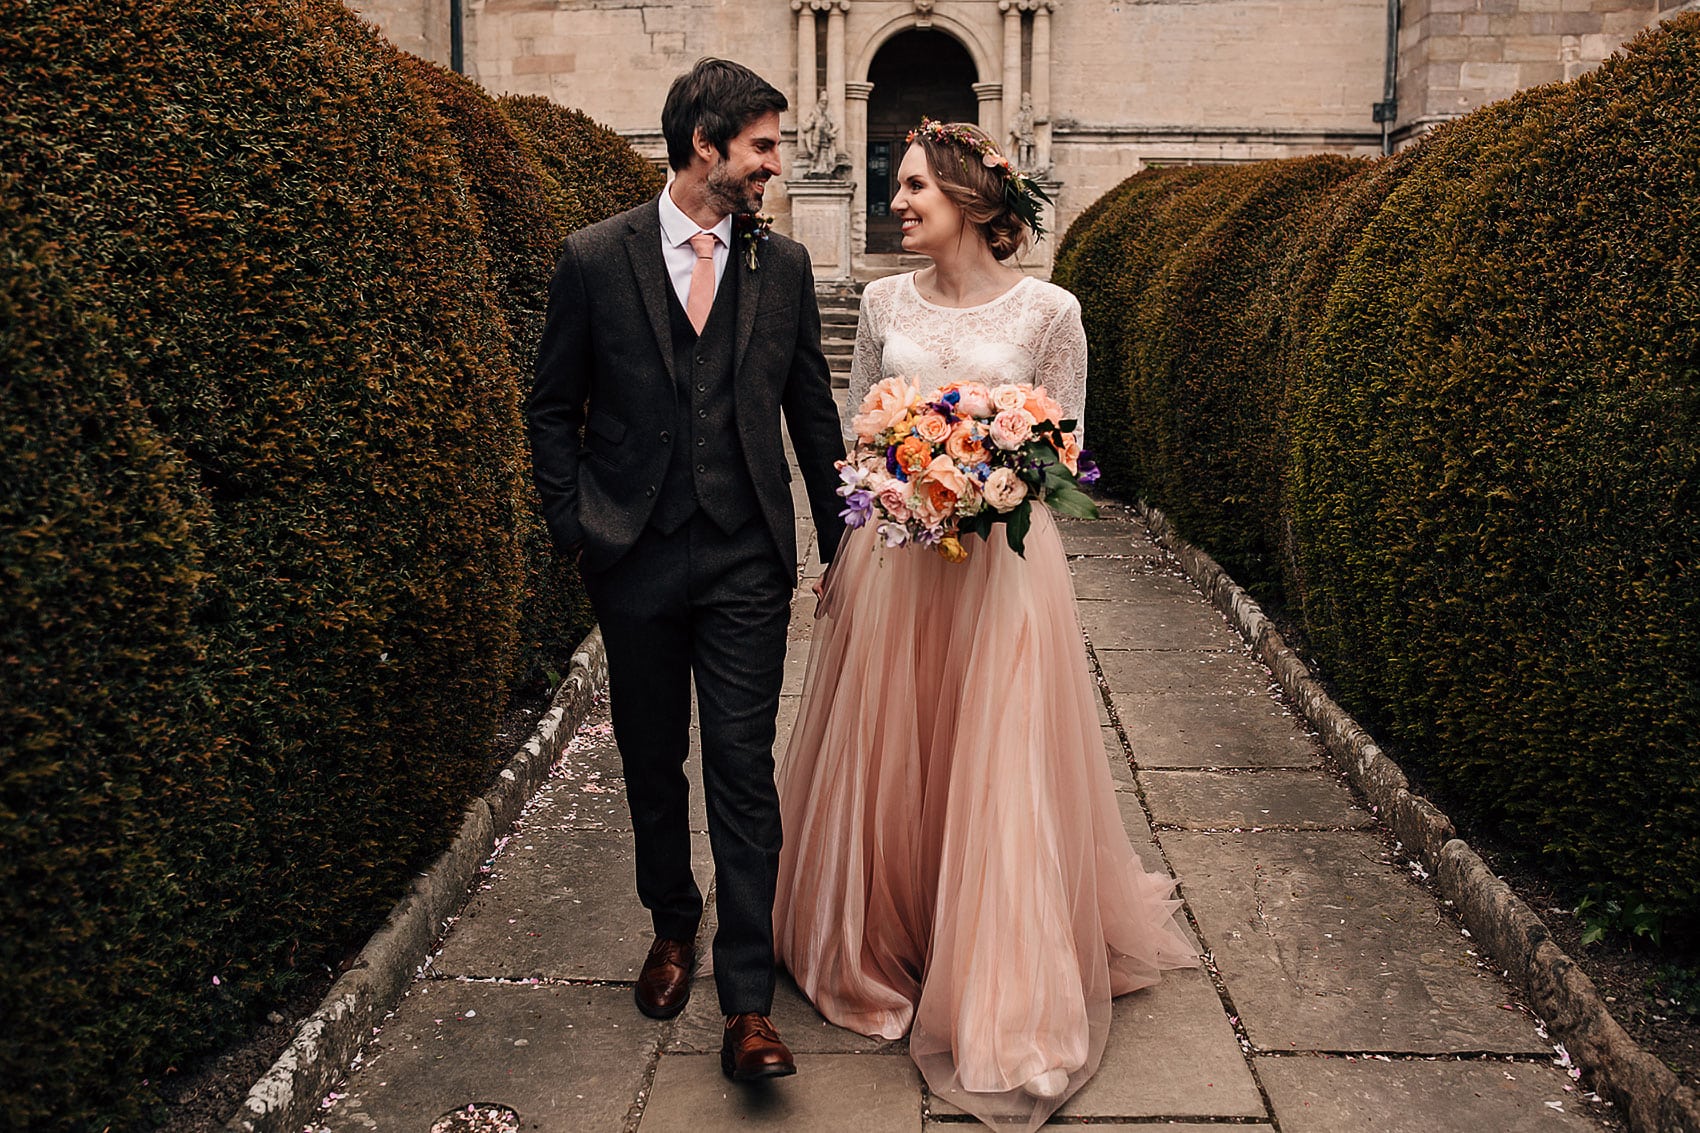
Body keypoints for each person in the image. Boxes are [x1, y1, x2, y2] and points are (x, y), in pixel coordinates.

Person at [773, 120, 1199, 1129]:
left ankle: (1002, 981)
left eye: (916, 184)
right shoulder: (878, 302)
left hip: (999, 573)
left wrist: (980, 481)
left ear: (971, 196)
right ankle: (892, 936)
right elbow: (855, 438)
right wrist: (882, 507)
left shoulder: (1051, 310)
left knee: (993, 757)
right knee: (896, 752)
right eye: (899, 184)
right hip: (896, 566)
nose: (898, 198)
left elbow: (1063, 449)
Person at [528, 58, 847, 1082]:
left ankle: (745, 999)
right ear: (705, 145)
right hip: (634, 553)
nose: (772, 164)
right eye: (760, 145)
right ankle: (672, 921)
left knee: (742, 771)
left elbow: (810, 414)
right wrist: (574, 523)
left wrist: (843, 548)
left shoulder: (783, 269)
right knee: (652, 760)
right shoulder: (592, 257)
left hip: (748, 555)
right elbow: (549, 405)